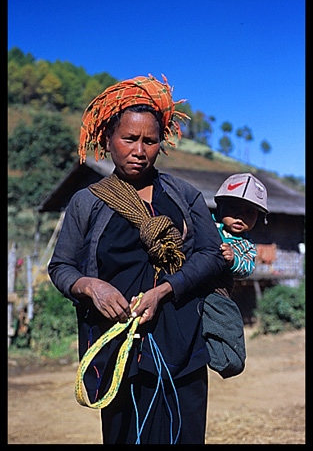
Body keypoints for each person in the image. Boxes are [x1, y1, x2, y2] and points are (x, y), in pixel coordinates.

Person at [48, 74, 225, 444]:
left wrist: (163, 291)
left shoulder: (184, 196)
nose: (139, 150)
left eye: (150, 140)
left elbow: (210, 256)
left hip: (183, 346)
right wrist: (90, 286)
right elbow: (60, 267)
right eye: (129, 139)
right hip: (116, 350)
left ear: (161, 144)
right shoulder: (88, 201)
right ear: (109, 140)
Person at [201, 173, 269, 379]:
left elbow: (247, 268)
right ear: (219, 207)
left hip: (217, 293)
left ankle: (225, 359)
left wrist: (232, 260)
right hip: (188, 286)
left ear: (259, 218)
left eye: (250, 212)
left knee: (228, 328)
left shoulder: (246, 246)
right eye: (233, 209)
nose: (241, 217)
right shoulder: (204, 225)